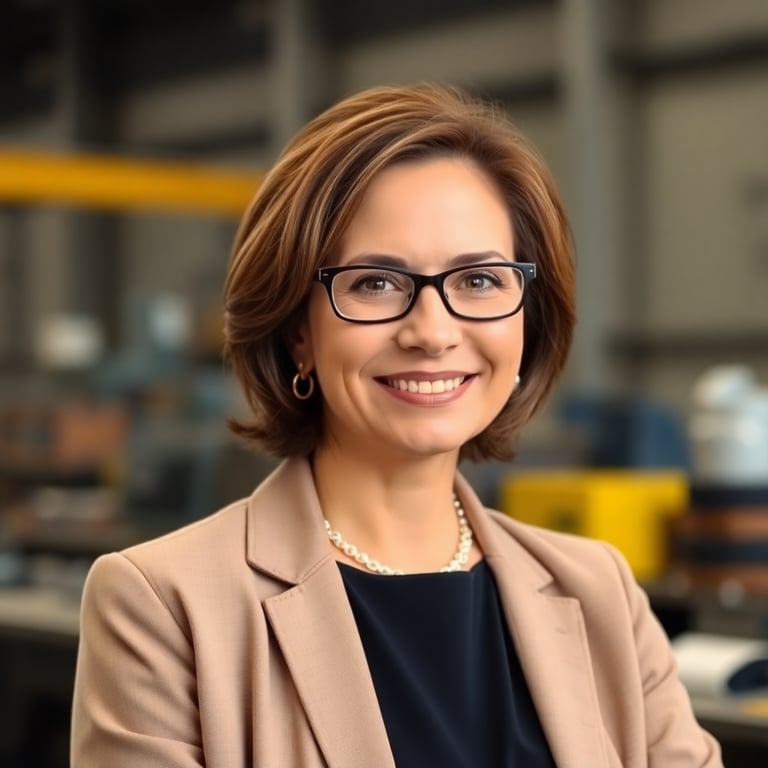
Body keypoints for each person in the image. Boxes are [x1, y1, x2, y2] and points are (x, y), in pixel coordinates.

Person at [71, 84, 722, 767]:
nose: (433, 332)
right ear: (299, 332)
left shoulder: (599, 592)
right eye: (376, 284)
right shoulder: (162, 604)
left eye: (479, 281)